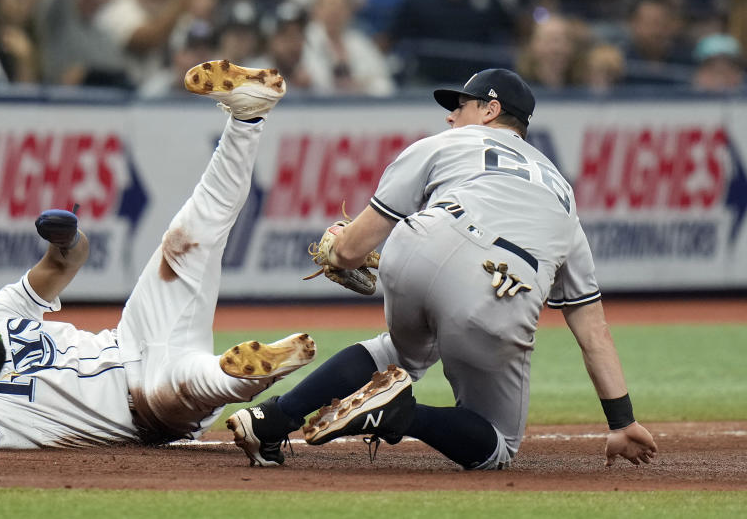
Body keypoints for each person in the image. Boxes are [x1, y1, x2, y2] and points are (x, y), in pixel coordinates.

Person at [227, 68, 659, 470]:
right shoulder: (563, 195)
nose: (451, 116)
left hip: (418, 242)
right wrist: (621, 422)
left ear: (490, 111)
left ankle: (271, 418)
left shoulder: (441, 144)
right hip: (500, 283)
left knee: (395, 353)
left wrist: (341, 252)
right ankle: (401, 414)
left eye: (461, 106)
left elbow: (350, 251)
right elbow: (592, 329)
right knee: (499, 444)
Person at [0, 60, 315, 449]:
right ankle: (253, 370)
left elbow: (65, 262)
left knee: (188, 235)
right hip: (146, 408)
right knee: (192, 381)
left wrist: (66, 239)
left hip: (133, 337)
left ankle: (248, 115)